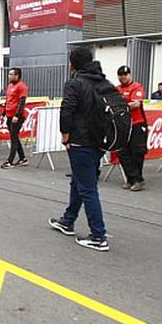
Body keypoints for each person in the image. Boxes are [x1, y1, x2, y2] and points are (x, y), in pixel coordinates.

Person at [48, 46, 111, 251]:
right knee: (79, 181)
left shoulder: (75, 83)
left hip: (80, 141)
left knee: (87, 188)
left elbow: (67, 110)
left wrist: (65, 136)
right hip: (100, 141)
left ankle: (98, 235)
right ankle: (68, 220)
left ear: (73, 64)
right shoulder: (103, 82)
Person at [115, 65, 148, 191]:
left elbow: (136, 104)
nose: (123, 77)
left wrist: (120, 106)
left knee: (137, 152)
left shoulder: (136, 87)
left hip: (137, 124)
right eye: (120, 75)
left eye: (125, 74)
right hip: (122, 125)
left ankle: (137, 179)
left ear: (130, 75)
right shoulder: (116, 89)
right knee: (122, 152)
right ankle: (132, 178)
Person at [2, 67, 29, 169]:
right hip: (9, 115)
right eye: (9, 74)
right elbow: (8, 100)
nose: (9, 76)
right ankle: (23, 158)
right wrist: (3, 112)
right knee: (15, 137)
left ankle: (10, 161)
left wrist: (17, 115)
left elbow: (22, 102)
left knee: (13, 138)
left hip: (17, 116)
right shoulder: (10, 86)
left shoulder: (21, 86)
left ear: (17, 75)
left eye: (11, 74)